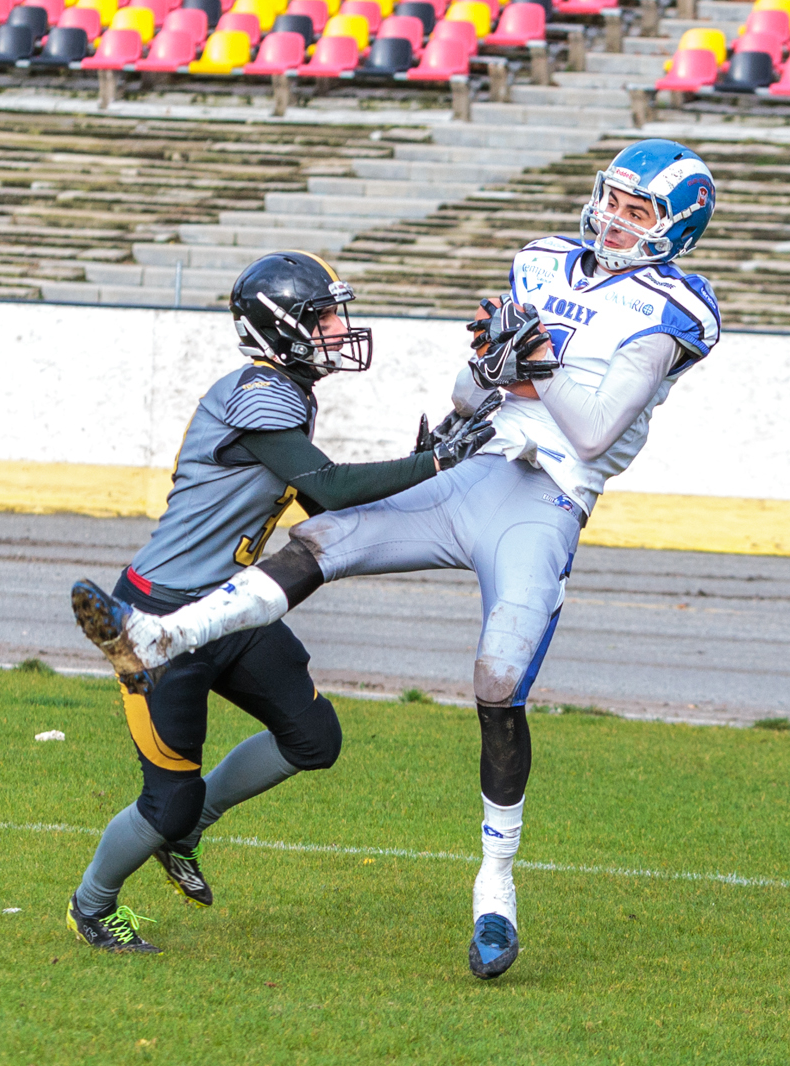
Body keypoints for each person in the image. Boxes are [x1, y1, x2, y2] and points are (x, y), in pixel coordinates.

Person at [78, 140, 721, 977]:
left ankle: (496, 892)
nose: (614, 218)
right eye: (613, 199)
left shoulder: (680, 307)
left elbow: (593, 430)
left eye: (639, 211)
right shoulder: (541, 262)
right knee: (319, 547)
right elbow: (448, 410)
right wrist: (491, 376)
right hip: (457, 474)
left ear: (675, 229)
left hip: (546, 498)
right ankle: (154, 667)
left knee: (489, 685)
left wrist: (529, 367)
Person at [63, 250, 494, 954]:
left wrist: (427, 465)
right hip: (162, 616)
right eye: (321, 316)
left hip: (230, 608)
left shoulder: (286, 393)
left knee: (312, 739)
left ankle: (191, 832)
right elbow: (333, 485)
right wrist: (439, 461)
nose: (335, 327)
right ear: (277, 329)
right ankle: (92, 905)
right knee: (166, 799)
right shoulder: (256, 395)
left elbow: (322, 496)